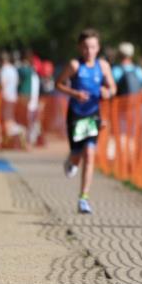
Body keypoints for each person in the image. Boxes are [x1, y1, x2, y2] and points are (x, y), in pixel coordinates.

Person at [56, 29, 116, 214]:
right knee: (77, 155)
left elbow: (113, 87)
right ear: (79, 48)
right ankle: (71, 161)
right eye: (85, 47)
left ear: (98, 48)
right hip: (76, 114)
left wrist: (108, 92)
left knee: (90, 154)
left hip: (93, 115)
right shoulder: (75, 65)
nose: (89, 51)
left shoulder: (103, 66)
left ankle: (84, 199)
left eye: (92, 47)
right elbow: (58, 84)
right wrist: (75, 93)